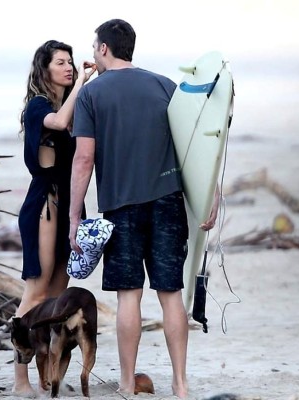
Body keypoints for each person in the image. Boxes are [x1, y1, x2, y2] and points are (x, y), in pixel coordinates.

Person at [69, 19, 218, 399]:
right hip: (167, 200)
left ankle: (125, 382)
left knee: (129, 296)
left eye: (94, 48)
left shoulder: (91, 94)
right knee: (170, 294)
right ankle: (180, 385)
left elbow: (84, 159)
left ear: (104, 49)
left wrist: (75, 215)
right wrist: (211, 191)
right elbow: (196, 145)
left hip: (121, 207)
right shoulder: (165, 85)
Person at [13, 40, 96, 395]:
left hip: (69, 204)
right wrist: (84, 83)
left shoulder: (73, 108)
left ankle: (49, 375)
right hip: (44, 202)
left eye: (71, 63)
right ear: (44, 69)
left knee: (57, 299)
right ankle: (20, 379)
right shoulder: (38, 106)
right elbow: (58, 123)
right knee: (37, 291)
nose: (69, 67)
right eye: (61, 62)